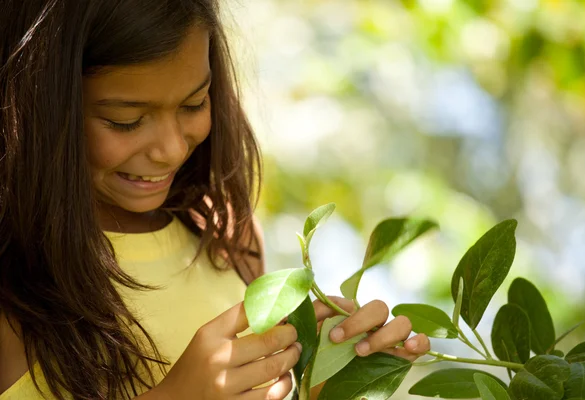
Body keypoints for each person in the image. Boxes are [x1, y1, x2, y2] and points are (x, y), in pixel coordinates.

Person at [0, 0, 431, 399]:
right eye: (125, 121)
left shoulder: (225, 235)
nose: (170, 149)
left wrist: (332, 381)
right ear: (38, 106)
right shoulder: (14, 281)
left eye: (193, 104)